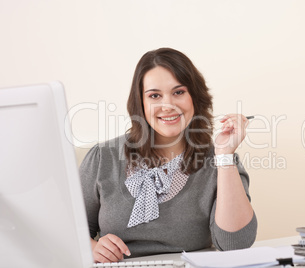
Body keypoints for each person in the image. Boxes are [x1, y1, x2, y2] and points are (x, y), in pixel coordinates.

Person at [79, 47, 258, 263]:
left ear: (195, 98)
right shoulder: (102, 158)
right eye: (155, 95)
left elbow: (235, 245)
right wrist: (91, 247)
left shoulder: (221, 161)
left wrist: (224, 155)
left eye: (179, 92)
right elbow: (67, 229)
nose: (168, 106)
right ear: (141, 103)